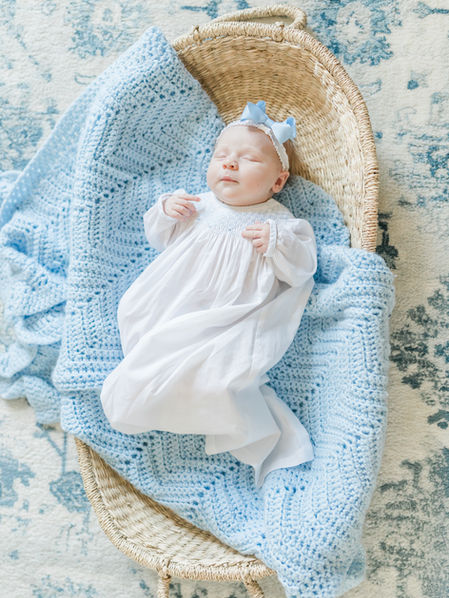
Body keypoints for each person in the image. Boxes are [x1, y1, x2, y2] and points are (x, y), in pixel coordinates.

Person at [100, 100, 318, 487]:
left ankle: (199, 407)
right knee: (149, 343)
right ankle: (151, 393)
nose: (230, 163)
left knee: (218, 375)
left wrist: (276, 243)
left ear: (278, 182)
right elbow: (159, 236)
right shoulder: (197, 205)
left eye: (248, 159)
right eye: (221, 156)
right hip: (171, 303)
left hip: (230, 318)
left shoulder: (280, 223)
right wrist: (166, 210)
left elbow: (301, 268)